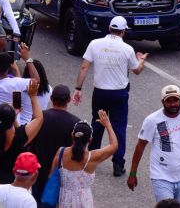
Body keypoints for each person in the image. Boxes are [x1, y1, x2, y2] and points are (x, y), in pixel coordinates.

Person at [72, 16, 147, 177]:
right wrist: (141, 60)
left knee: (97, 125)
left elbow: (84, 67)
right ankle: (118, 165)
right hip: (119, 94)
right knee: (119, 128)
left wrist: (78, 88)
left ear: (109, 28)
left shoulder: (95, 44)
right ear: (123, 31)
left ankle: (91, 158)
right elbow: (137, 70)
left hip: (100, 93)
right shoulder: (127, 49)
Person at [127, 86, 180, 205]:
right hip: (161, 177)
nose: (173, 104)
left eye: (175, 100)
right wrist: (132, 174)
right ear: (163, 102)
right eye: (169, 101)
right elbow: (140, 146)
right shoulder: (152, 120)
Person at [0, 79, 44, 184]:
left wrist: (12, 117)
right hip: (11, 180)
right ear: (12, 120)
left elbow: (2, 129)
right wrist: (33, 96)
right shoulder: (19, 136)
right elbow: (39, 118)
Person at [52, 113, 117, 208]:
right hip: (84, 202)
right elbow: (114, 145)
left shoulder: (61, 152)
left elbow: (51, 175)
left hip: (63, 200)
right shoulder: (92, 157)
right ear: (90, 140)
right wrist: (108, 125)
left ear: (72, 135)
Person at [28, 85, 80, 202]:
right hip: (63, 173)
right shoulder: (76, 123)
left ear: (51, 98)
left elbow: (30, 141)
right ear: (69, 100)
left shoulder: (40, 117)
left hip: (40, 170)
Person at [0, 38, 38, 123]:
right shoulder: (16, 83)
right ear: (10, 67)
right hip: (10, 127)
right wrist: (28, 59)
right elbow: (36, 81)